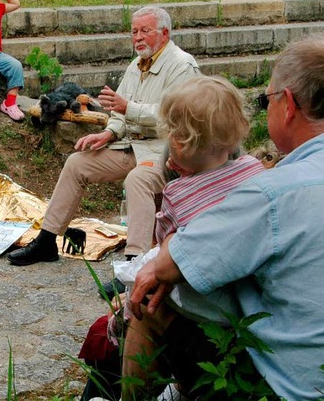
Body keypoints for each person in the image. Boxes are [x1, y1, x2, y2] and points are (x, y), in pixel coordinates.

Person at [127, 37, 324, 400]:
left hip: (296, 383)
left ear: (289, 105)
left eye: (267, 100)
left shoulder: (273, 194)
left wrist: (162, 262)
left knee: (149, 298)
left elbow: (170, 264)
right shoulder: (261, 177)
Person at [83, 76, 265, 400]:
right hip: (246, 303)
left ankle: (133, 393)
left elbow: (166, 251)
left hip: (207, 305)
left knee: (142, 299)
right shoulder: (254, 171)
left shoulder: (179, 194)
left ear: (179, 142)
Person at [7, 6, 200, 267]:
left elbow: (174, 119)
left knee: (138, 180)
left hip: (166, 152)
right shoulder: (136, 65)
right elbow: (119, 114)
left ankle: (135, 263)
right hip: (131, 146)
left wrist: (127, 108)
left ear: (164, 34)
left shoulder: (182, 65)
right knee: (77, 163)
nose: (138, 38)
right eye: (134, 32)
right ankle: (46, 240)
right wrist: (108, 133)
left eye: (145, 31)